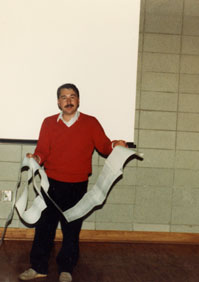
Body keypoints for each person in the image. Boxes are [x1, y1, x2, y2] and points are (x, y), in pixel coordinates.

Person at [18, 83, 127, 282]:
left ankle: (66, 269)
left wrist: (114, 145)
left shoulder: (91, 122)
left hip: (77, 185)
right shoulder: (49, 123)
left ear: (78, 100)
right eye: (64, 97)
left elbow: (104, 146)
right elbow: (42, 150)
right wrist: (36, 158)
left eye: (72, 96)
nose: (68, 101)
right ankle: (38, 267)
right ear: (58, 102)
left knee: (72, 228)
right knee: (44, 227)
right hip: (50, 184)